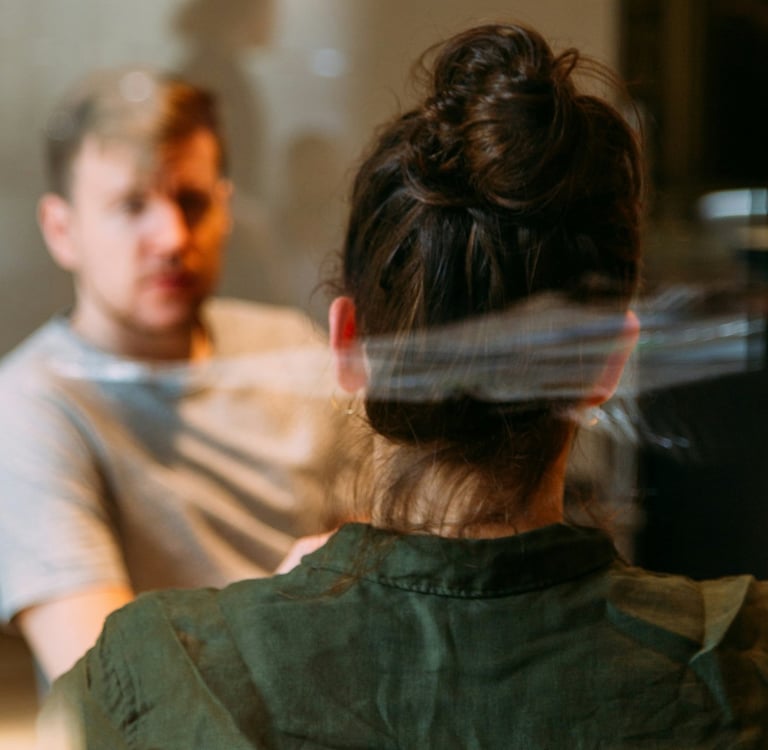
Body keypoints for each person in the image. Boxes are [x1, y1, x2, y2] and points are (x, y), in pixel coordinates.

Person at [41, 23, 768, 747]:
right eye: (130, 204)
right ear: (609, 363)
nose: (169, 237)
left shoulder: (139, 681)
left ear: (346, 345)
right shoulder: (741, 665)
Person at [0, 67, 351, 685]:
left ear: (225, 208)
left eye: (191, 201)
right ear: (62, 230)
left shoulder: (291, 347)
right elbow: (106, 688)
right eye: (131, 205)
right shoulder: (31, 407)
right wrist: (283, 606)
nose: (170, 237)